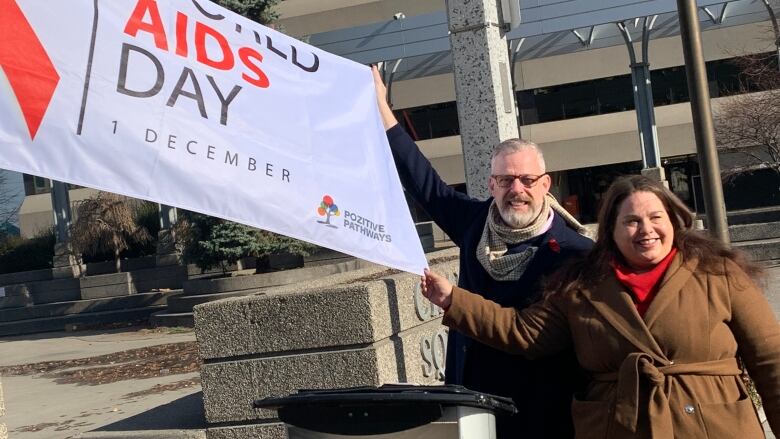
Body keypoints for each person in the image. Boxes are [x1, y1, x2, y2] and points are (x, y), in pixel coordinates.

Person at [421, 175, 780, 439]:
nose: (646, 230)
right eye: (632, 221)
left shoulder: (718, 273)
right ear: (611, 229)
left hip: (712, 425)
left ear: (674, 220)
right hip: (620, 427)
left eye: (656, 218)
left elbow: (770, 359)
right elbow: (524, 332)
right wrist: (453, 299)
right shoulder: (581, 285)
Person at [372, 66, 593, 438]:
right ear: (491, 184)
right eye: (505, 180)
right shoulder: (475, 223)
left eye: (526, 179)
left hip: (539, 413)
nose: (516, 189)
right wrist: (380, 106)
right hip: (472, 404)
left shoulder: (574, 252)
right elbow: (421, 180)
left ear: (545, 183)